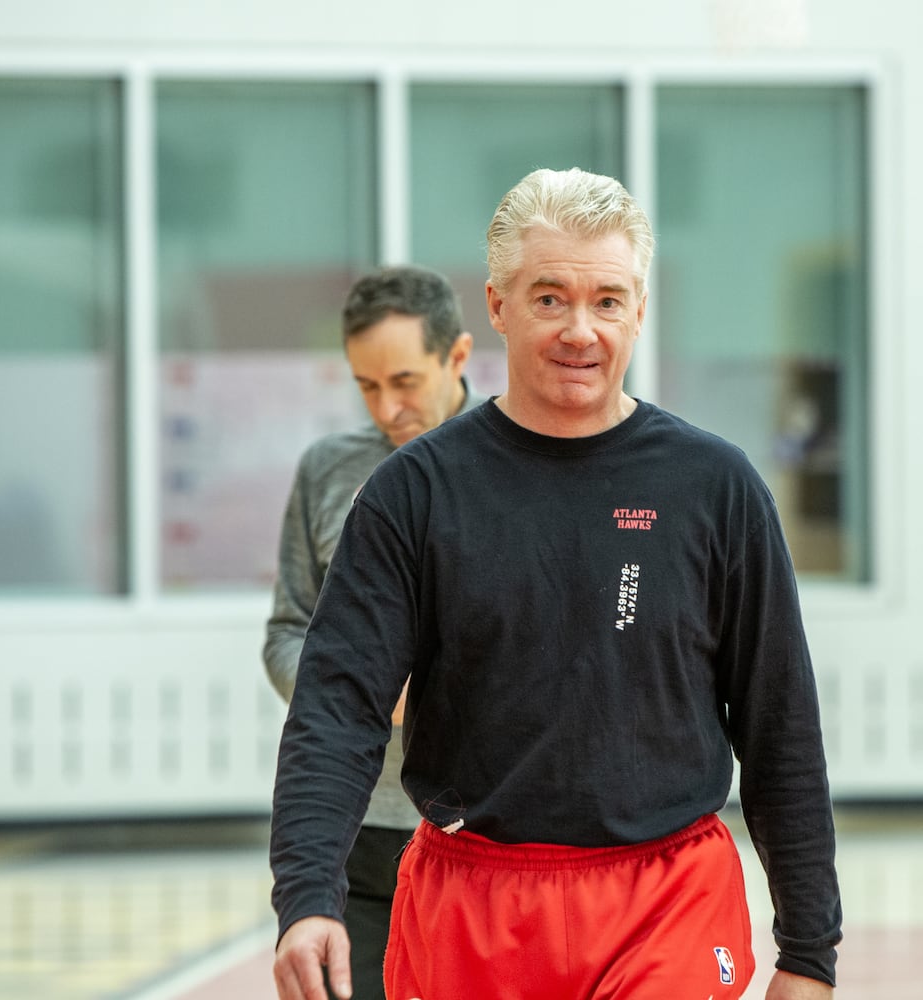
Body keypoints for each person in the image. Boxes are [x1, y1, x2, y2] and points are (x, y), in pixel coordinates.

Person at [269, 169, 843, 1000]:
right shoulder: (414, 492)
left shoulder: (715, 487)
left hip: (666, 900)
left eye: (607, 300)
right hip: (471, 903)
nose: (582, 329)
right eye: (550, 298)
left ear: (639, 310)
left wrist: (809, 953)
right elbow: (338, 706)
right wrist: (307, 897)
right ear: (498, 306)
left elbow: (779, 722)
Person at [263, 265, 484, 1000]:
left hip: (484, 838)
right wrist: (361, 691)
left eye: (404, 380)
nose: (388, 406)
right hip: (359, 835)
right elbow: (289, 629)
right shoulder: (328, 471)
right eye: (365, 385)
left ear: (457, 357)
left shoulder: (516, 463)